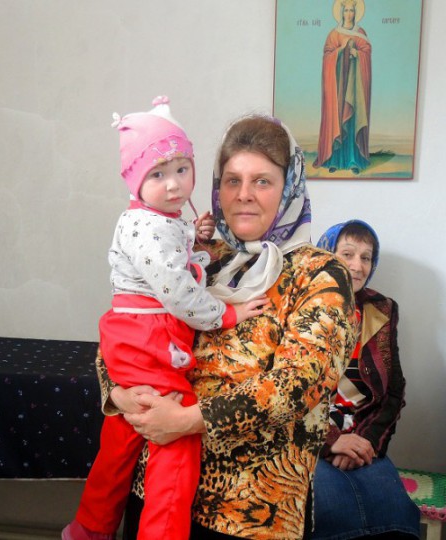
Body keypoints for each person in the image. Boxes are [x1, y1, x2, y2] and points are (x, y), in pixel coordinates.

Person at [98, 114, 358, 540]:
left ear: (289, 187)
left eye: (262, 181)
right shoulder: (201, 257)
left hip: (250, 514)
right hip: (155, 497)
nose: (243, 195)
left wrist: (187, 421)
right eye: (232, 180)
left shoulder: (319, 275)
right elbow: (124, 330)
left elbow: (299, 384)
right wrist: (121, 395)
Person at [63, 97, 267, 540]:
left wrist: (196, 235)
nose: (174, 184)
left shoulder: (158, 218)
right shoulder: (149, 227)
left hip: (136, 338)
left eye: (182, 169)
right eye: (157, 174)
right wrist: (228, 314)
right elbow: (177, 292)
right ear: (134, 180)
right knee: (176, 436)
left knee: (120, 437)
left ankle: (91, 526)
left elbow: (174, 253)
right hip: (150, 338)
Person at [310, 220, 420, 539]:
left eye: (366, 257)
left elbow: (394, 391)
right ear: (326, 255)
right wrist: (331, 441)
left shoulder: (382, 309)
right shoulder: (299, 306)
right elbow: (283, 392)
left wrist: (367, 442)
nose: (357, 266)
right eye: (347, 254)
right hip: (309, 438)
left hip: (363, 437)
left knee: (396, 514)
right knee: (333, 513)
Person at [313, 0, 372, 175]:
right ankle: (335, 160)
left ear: (355, 13)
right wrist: (340, 51)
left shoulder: (360, 33)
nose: (349, 14)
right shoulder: (334, 34)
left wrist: (357, 54)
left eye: (352, 10)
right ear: (341, 12)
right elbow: (327, 55)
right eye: (346, 10)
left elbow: (366, 52)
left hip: (354, 87)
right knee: (337, 118)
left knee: (352, 119)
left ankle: (353, 159)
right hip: (338, 86)